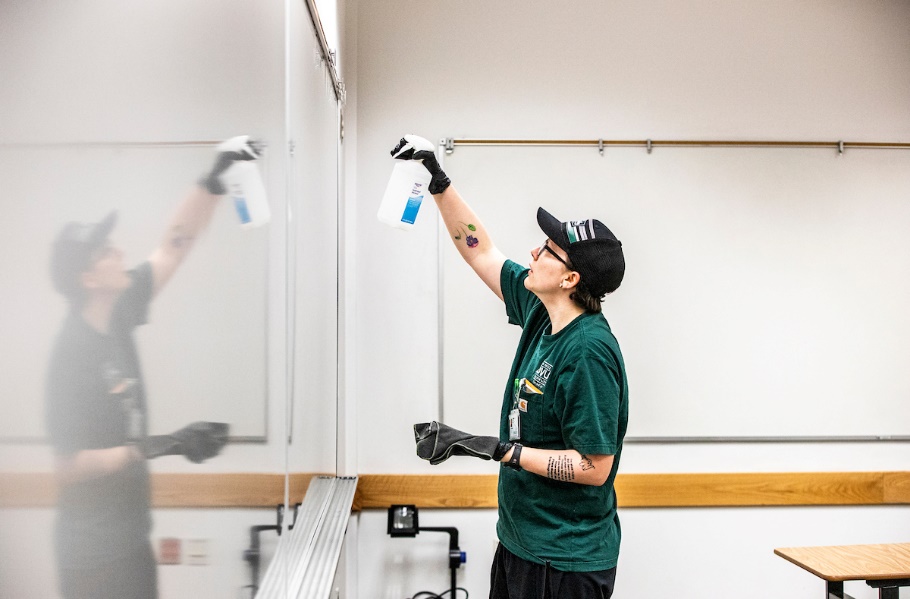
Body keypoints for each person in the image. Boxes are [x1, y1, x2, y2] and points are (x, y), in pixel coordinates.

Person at [399, 135, 628, 599]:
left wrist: (503, 451)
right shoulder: (543, 313)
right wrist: (439, 181)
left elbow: (593, 467)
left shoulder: (587, 352)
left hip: (564, 561)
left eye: (547, 250)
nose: (533, 254)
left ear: (570, 278)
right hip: (521, 545)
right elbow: (480, 250)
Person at [45, 136, 261, 599]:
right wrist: (150, 447)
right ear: (86, 279)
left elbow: (173, 246)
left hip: (130, 537)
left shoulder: (118, 313)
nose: (119, 252)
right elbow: (67, 465)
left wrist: (212, 182)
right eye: (105, 252)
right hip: (90, 553)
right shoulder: (71, 353)